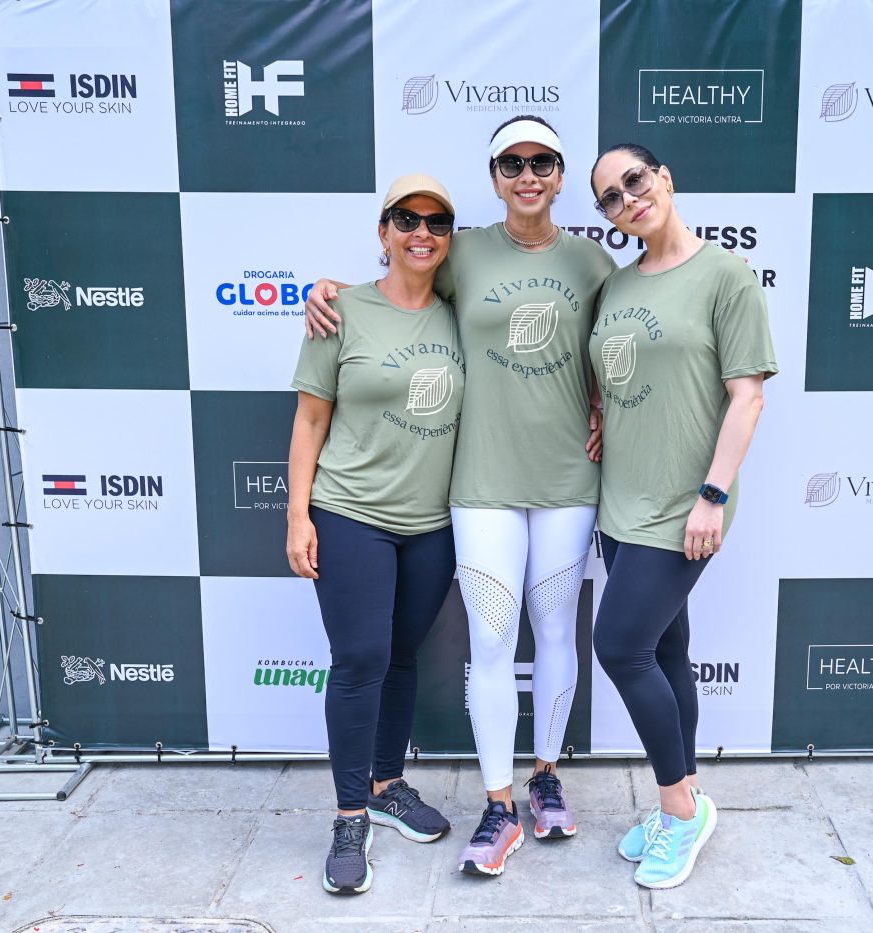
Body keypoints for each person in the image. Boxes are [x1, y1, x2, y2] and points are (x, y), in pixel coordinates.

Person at [305, 116, 616, 876]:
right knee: (490, 641)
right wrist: (328, 290)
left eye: (542, 160)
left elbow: (626, 343)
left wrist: (607, 405)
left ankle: (545, 775)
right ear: (495, 175)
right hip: (478, 486)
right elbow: (398, 287)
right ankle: (499, 801)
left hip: (567, 481)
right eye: (513, 162)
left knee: (556, 631)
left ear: (561, 173)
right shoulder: (464, 249)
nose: (528, 173)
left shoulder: (593, 261)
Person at [587, 143, 777, 889]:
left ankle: (678, 811)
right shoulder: (618, 284)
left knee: (619, 644)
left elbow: (748, 395)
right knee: (666, 651)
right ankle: (687, 795)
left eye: (635, 180)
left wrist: (713, 495)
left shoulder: (725, 275)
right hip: (621, 502)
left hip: (684, 507)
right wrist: (600, 413)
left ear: (665, 177)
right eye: (609, 197)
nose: (627, 198)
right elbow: (618, 374)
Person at [286, 173, 465, 895]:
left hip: (434, 523)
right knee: (360, 657)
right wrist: (297, 513)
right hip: (352, 512)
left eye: (437, 221)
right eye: (405, 218)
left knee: (400, 656)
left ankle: (390, 782)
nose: (421, 232)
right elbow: (309, 420)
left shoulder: (463, 313)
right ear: (383, 231)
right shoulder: (341, 311)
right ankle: (349, 813)